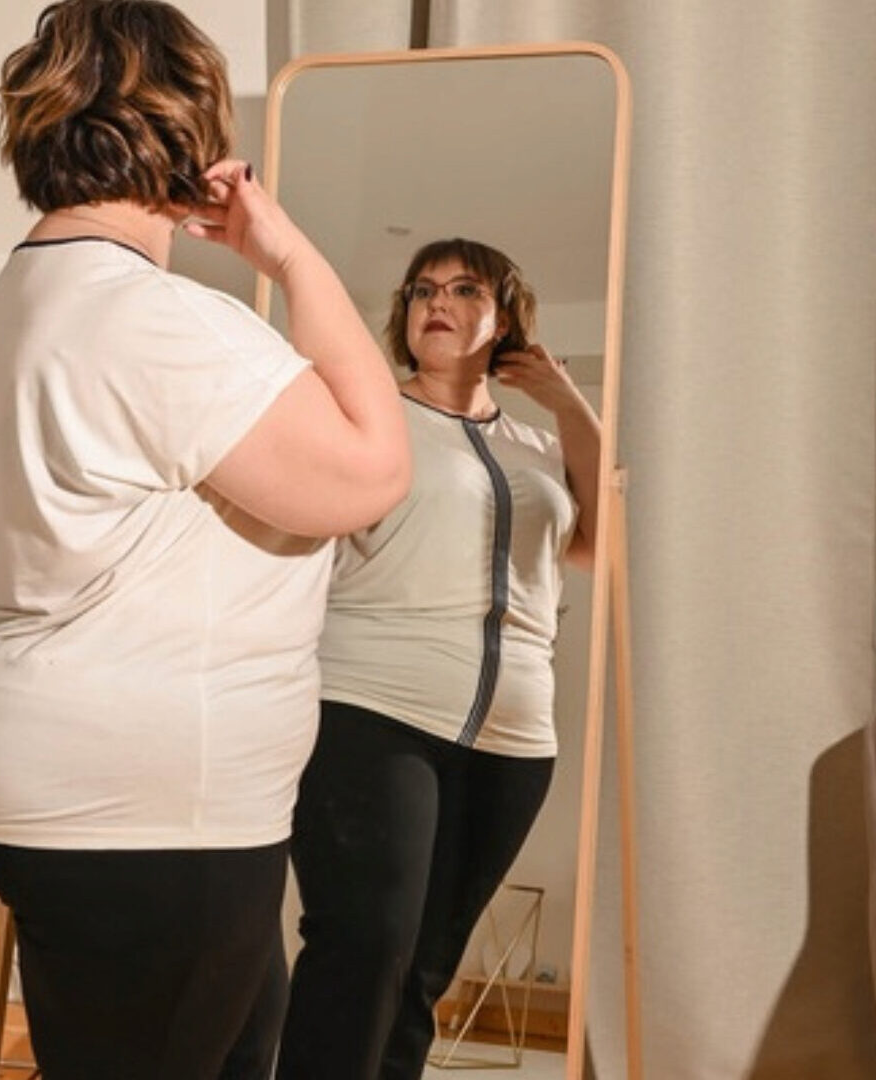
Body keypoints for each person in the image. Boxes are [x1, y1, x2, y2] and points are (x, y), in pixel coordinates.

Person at [0, 3, 409, 1079]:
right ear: (186, 132)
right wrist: (289, 254)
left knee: (232, 1043)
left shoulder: (25, 293)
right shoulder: (157, 321)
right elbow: (372, 472)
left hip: (55, 770)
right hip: (140, 807)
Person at [270, 237, 601, 1080]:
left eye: (464, 289)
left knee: (424, 970)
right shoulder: (373, 419)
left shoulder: (536, 445)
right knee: (363, 945)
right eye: (422, 290)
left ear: (506, 319)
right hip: (371, 708)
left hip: (513, 737)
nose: (437, 302)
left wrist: (571, 406)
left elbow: (604, 545)